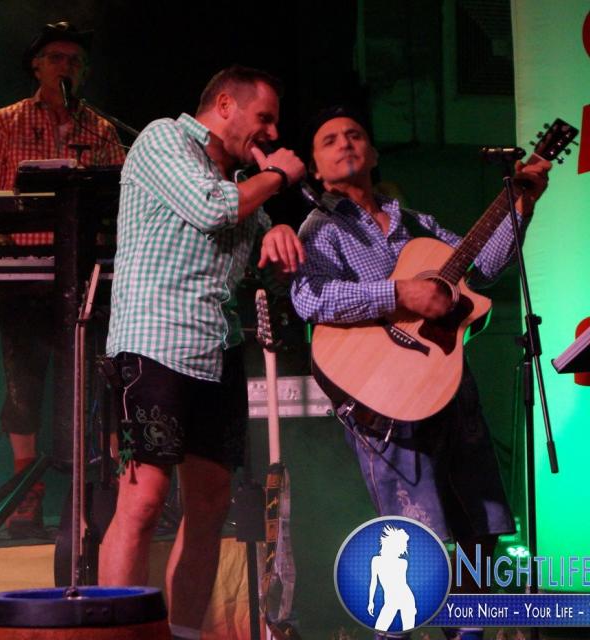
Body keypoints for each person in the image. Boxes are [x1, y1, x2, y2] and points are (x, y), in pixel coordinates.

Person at [290, 106, 551, 640]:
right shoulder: (320, 229)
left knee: (479, 530)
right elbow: (310, 298)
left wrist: (522, 203)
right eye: (330, 140)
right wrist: (399, 293)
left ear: (374, 153)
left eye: (355, 135)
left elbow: (482, 267)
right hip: (384, 397)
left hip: (449, 389)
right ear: (315, 169)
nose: (345, 143)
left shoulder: (416, 223)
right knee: (409, 543)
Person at [100, 65, 305, 640]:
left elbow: (256, 246)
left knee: (211, 507)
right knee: (144, 501)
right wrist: (279, 176)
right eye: (264, 118)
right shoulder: (164, 138)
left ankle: (184, 633)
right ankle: (118, 635)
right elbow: (213, 207)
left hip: (217, 351)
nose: (271, 133)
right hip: (154, 343)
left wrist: (275, 234)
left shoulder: (242, 182)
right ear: (225, 105)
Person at [0, 21, 125, 537]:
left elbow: (125, 200)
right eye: (56, 58)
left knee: (98, 382)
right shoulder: (6, 121)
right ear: (36, 66)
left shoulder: (101, 129)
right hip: (27, 275)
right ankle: (26, 496)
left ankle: (106, 493)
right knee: (24, 383)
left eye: (75, 61)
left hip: (87, 275)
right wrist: (8, 255)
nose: (66, 67)